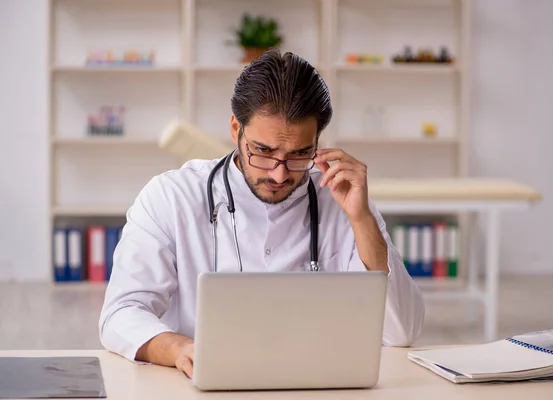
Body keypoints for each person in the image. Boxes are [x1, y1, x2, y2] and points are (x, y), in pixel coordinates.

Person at [98, 48, 425, 378]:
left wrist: (362, 219)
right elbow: (121, 313)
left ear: (317, 142)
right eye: (263, 152)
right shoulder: (171, 197)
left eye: (300, 154)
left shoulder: (340, 197)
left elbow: (402, 332)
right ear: (234, 129)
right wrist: (179, 348)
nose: (279, 174)